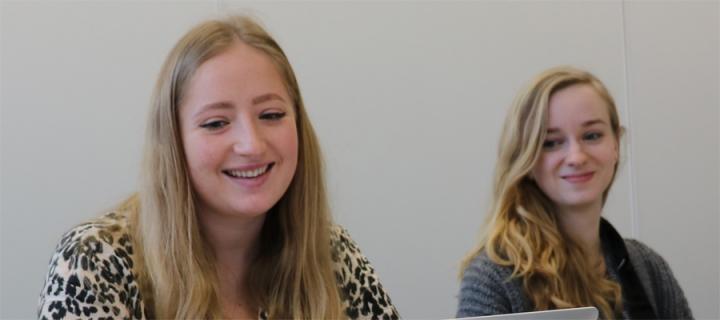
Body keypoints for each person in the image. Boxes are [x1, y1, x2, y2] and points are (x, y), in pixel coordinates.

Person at [38, 15, 399, 320]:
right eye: (215, 123)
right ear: (174, 142)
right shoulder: (95, 260)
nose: (252, 145)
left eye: (271, 115)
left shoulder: (333, 254)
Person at [456, 66, 692, 319]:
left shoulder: (648, 267)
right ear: (526, 159)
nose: (576, 157)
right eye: (551, 142)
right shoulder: (493, 277)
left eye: (592, 135)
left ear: (616, 144)